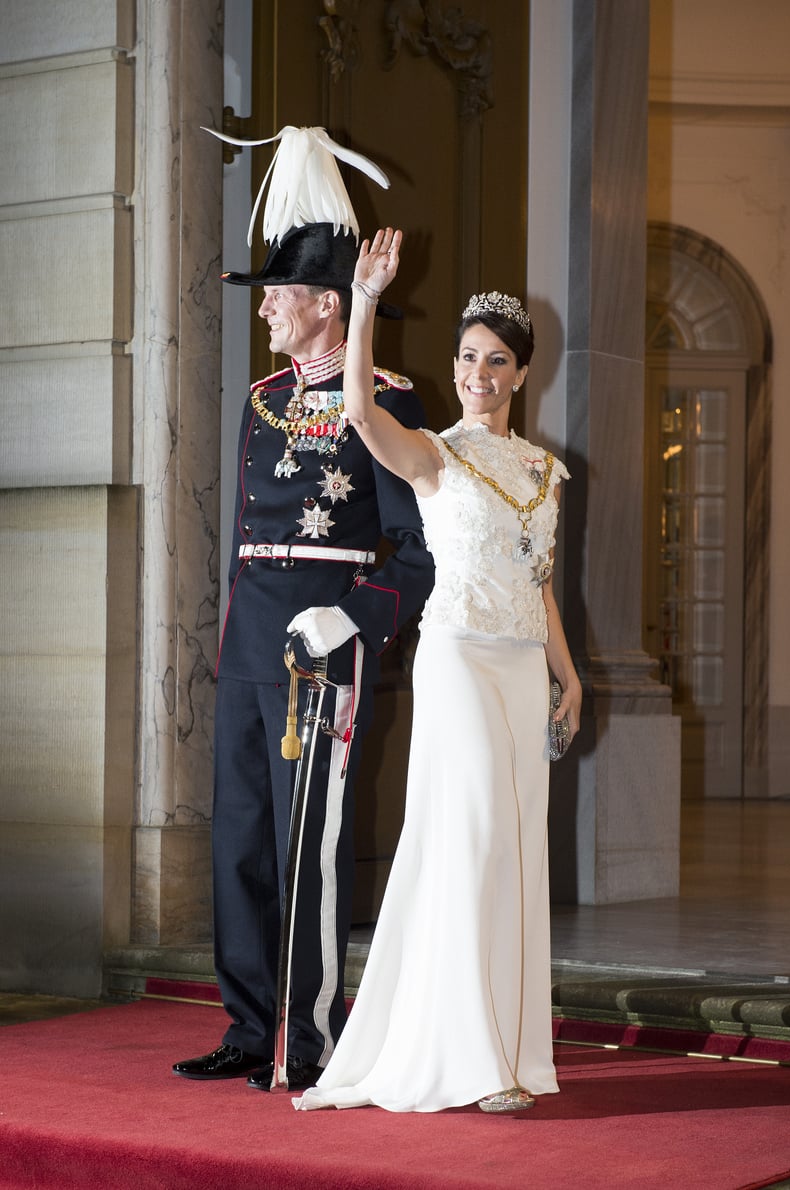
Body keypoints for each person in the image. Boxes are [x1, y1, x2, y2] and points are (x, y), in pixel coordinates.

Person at [294, 227, 582, 1114]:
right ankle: (470, 1057)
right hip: (455, 657)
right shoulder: (435, 454)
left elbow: (539, 586)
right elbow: (359, 417)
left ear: (522, 373)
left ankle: (507, 1044)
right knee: (478, 834)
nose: (478, 374)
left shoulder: (545, 472)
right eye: (466, 358)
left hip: (524, 666)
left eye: (496, 361)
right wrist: (369, 301)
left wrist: (570, 677)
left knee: (514, 849)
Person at [173, 135, 435, 1092]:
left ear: (331, 305)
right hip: (250, 651)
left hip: (322, 655)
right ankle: (248, 1027)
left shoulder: (388, 404)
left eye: (280, 294)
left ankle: (311, 1037)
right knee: (239, 843)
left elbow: (422, 550)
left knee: (306, 849)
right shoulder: (261, 400)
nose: (269, 308)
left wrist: (355, 619)